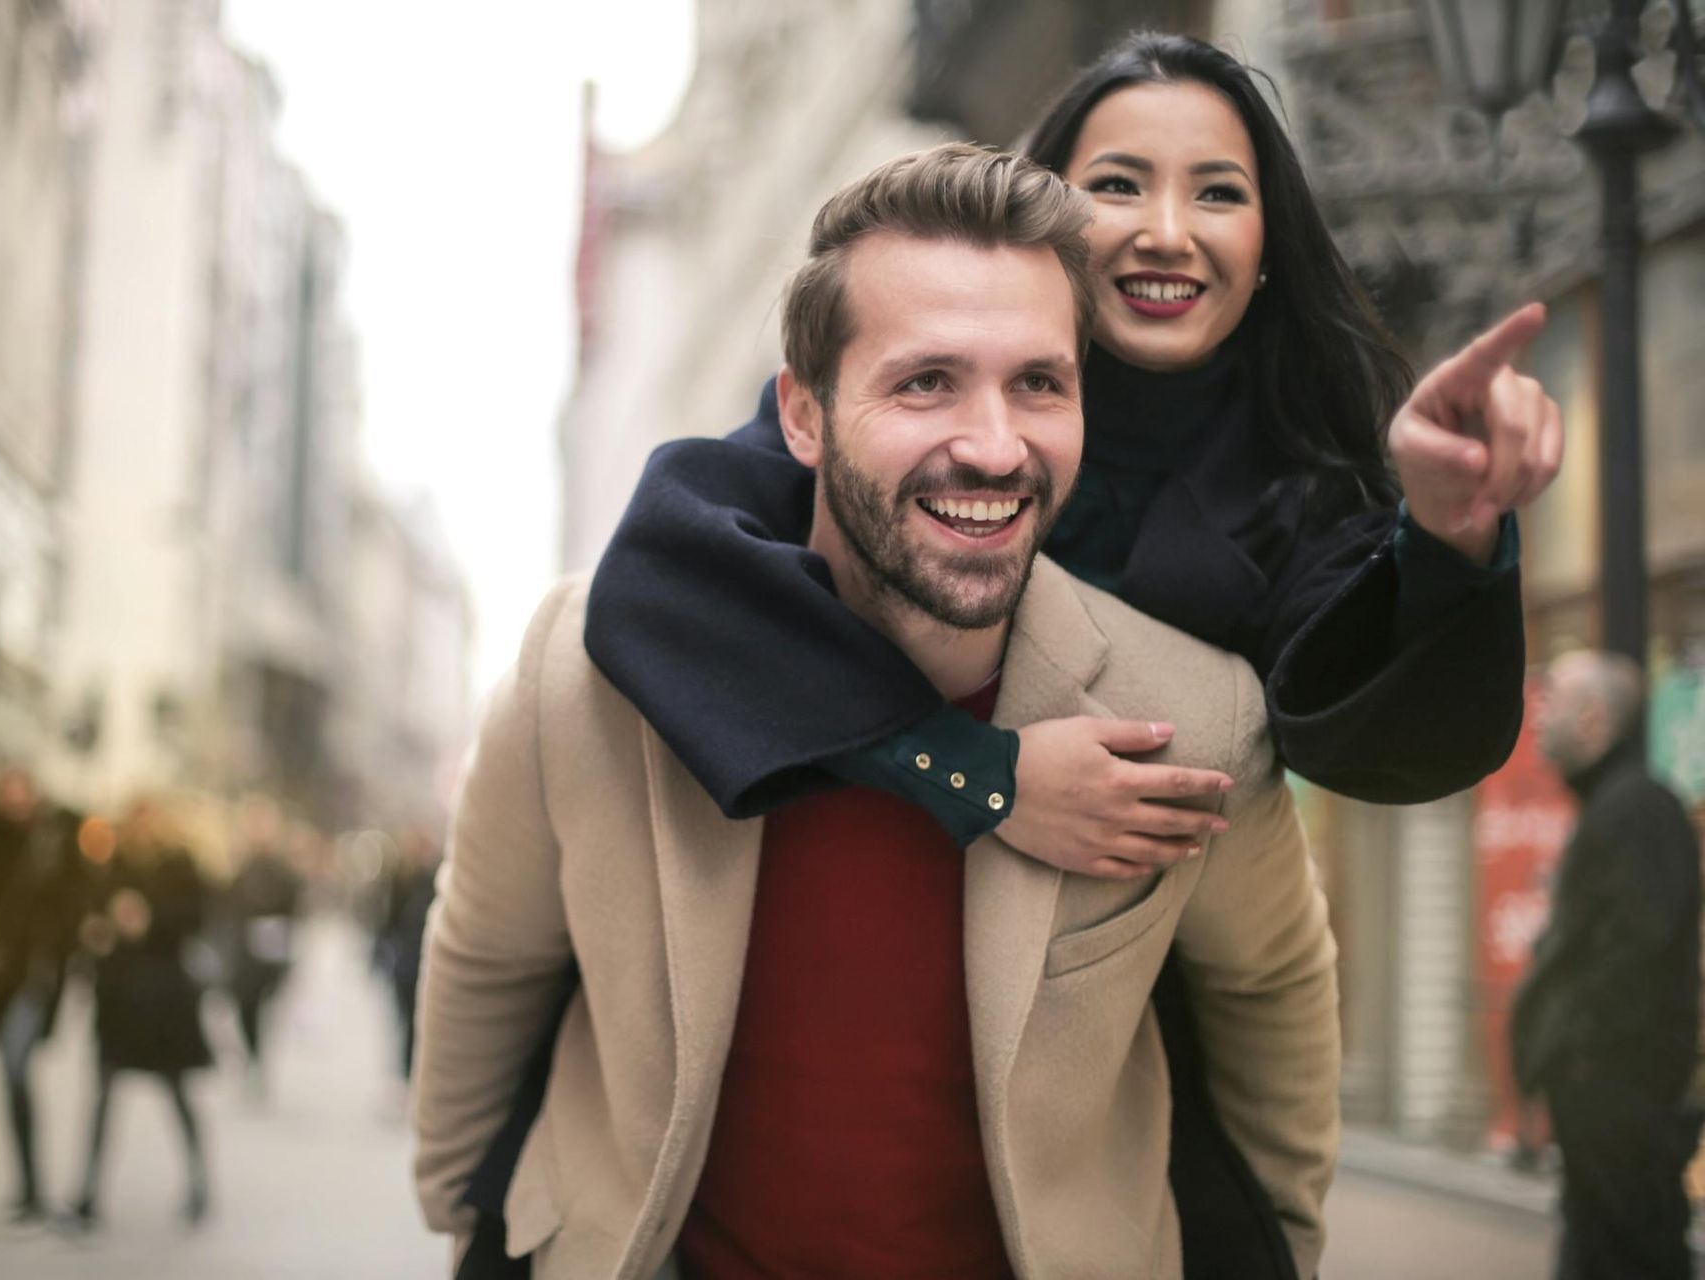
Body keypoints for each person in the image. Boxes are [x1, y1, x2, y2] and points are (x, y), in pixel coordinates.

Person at [565, 32, 1563, 1277]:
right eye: (1118, 183)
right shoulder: (899, 416)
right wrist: (980, 771)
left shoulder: (1298, 494)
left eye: (1219, 191)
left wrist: (1448, 532)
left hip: (1106, 1101)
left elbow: (1368, 747)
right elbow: (664, 588)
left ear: (1267, 252)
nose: (1165, 229)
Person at [414, 143, 1340, 1280]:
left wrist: (1284, 1243)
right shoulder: (587, 677)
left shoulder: (1190, 710)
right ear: (803, 416)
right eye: (926, 382)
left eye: (1039, 383)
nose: (995, 446)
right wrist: (465, 1215)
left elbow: (1270, 981)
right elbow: (489, 956)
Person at [1511, 651, 1703, 1280]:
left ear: (1594, 720)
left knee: (1630, 1255)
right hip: (1605, 1096)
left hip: (1620, 1100)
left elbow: (1634, 959)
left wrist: (1577, 1056)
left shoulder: (1637, 809)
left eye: (1553, 697)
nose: (1536, 713)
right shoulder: (1619, 806)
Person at [0, 770, 87, 1221]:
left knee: (14, 1063)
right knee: (9, 1073)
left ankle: (32, 1185)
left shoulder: (53, 842)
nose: (16, 800)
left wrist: (57, 949)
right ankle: (28, 1185)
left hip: (34, 976)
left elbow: (74, 903)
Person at [69, 799, 214, 1229]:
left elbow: (196, 916)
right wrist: (102, 929)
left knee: (177, 1094)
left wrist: (149, 920)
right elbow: (88, 916)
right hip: (120, 1001)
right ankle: (88, 1191)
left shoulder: (179, 865)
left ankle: (199, 1182)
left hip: (164, 1002)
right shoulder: (110, 866)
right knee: (102, 1096)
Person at [222, 827, 303, 1090]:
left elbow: (291, 905)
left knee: (261, 1008)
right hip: (246, 954)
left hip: (269, 950)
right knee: (247, 1008)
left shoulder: (281, 873)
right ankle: (253, 1056)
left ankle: (257, 1059)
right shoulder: (242, 872)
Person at [375, 826, 439, 1082]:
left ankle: (412, 1072)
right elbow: (389, 919)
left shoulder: (433, 878)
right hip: (404, 958)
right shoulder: (398, 878)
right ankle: (406, 1072)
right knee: (404, 1015)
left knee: (416, 1018)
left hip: (423, 956)